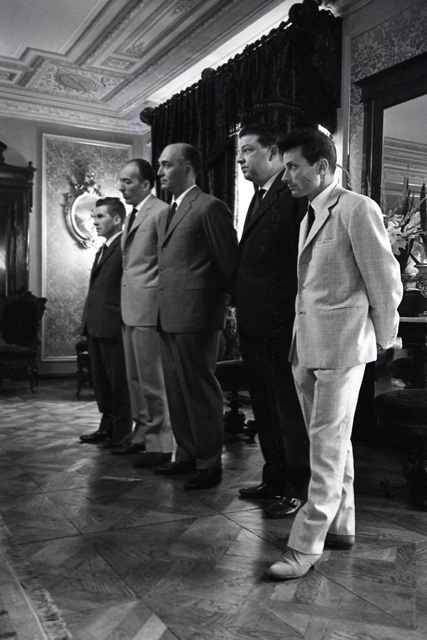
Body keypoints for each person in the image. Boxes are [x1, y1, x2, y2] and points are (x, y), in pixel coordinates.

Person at [267, 128, 403, 580]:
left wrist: (383, 340)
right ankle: (342, 525)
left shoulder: (357, 208)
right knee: (330, 443)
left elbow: (384, 281)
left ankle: (305, 544)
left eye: (293, 166)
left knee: (324, 447)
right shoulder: (309, 214)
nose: (286, 175)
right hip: (306, 345)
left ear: (322, 166)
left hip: (343, 346)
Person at [236, 125, 310, 517]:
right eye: (239, 152)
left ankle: (298, 488)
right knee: (263, 406)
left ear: (273, 153)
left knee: (287, 409)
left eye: (248, 150)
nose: (240, 159)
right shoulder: (259, 195)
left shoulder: (291, 193)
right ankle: (274, 478)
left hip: (281, 321)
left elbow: (300, 261)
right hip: (254, 320)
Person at [154, 143, 239, 490]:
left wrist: (218, 308)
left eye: (166, 165)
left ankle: (209, 463)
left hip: (198, 315)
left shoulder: (210, 207)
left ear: (188, 169)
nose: (160, 172)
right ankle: (187, 455)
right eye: (160, 165)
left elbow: (228, 265)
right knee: (176, 389)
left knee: (200, 390)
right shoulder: (168, 212)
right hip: (168, 315)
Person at [113, 159, 173, 468]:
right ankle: (141, 434)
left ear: (146, 185)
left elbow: (167, 263)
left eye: (127, 181)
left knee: (153, 380)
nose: (121, 187)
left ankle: (160, 442)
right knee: (135, 378)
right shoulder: (133, 214)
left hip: (149, 309)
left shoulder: (161, 212)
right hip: (130, 307)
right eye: (121, 181)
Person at [79, 197, 132, 448]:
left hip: (113, 325)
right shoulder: (103, 249)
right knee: (101, 382)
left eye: (100, 216)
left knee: (118, 382)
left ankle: (122, 434)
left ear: (117, 219)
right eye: (94, 216)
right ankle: (107, 428)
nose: (95, 222)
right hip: (97, 325)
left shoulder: (125, 247)